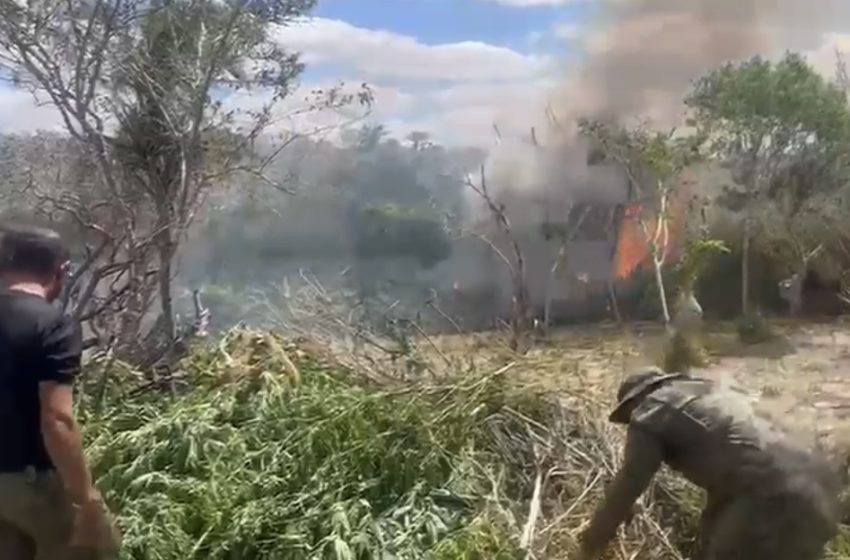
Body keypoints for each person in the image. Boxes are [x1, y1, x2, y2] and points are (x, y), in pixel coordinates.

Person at [579, 367, 841, 560]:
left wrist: (593, 539)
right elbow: (738, 469)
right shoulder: (715, 394)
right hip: (820, 488)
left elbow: (631, 480)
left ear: (637, 399)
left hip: (769, 494)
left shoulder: (652, 408)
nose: (631, 420)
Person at [0, 223, 120, 559]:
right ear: (61, 270)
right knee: (95, 549)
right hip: (32, 483)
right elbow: (56, 419)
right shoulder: (52, 325)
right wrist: (86, 499)